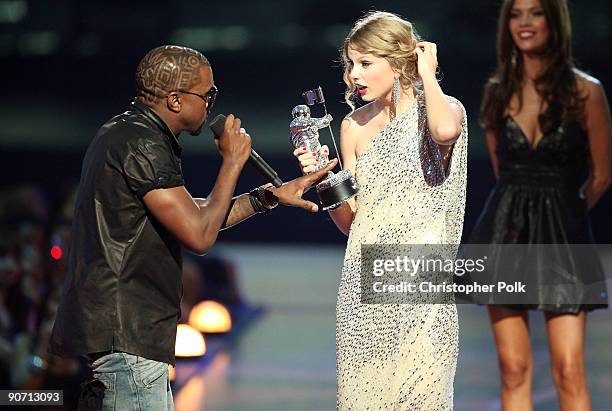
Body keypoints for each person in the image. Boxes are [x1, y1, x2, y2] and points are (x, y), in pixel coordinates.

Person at [48, 45, 337, 411]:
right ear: (174, 100)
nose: (212, 104)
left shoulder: (127, 133)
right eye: (207, 95)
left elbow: (195, 214)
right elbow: (199, 235)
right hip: (128, 337)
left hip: (129, 338)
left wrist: (268, 197)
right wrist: (232, 161)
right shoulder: (141, 144)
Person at [294, 11, 468, 409]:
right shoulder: (353, 126)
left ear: (399, 61)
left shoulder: (443, 110)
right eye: (351, 63)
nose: (354, 73)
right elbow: (349, 222)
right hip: (364, 284)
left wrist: (427, 75)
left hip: (423, 286)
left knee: (423, 397)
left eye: (366, 63)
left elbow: (445, 133)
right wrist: (325, 179)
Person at [469, 0, 611, 409]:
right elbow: (502, 171)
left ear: (554, 20)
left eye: (535, 12)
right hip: (503, 232)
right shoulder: (497, 92)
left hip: (564, 237)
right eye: (516, 14)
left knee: (569, 368)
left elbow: (602, 175)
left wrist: (565, 216)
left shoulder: (587, 90)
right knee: (513, 369)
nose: (525, 22)